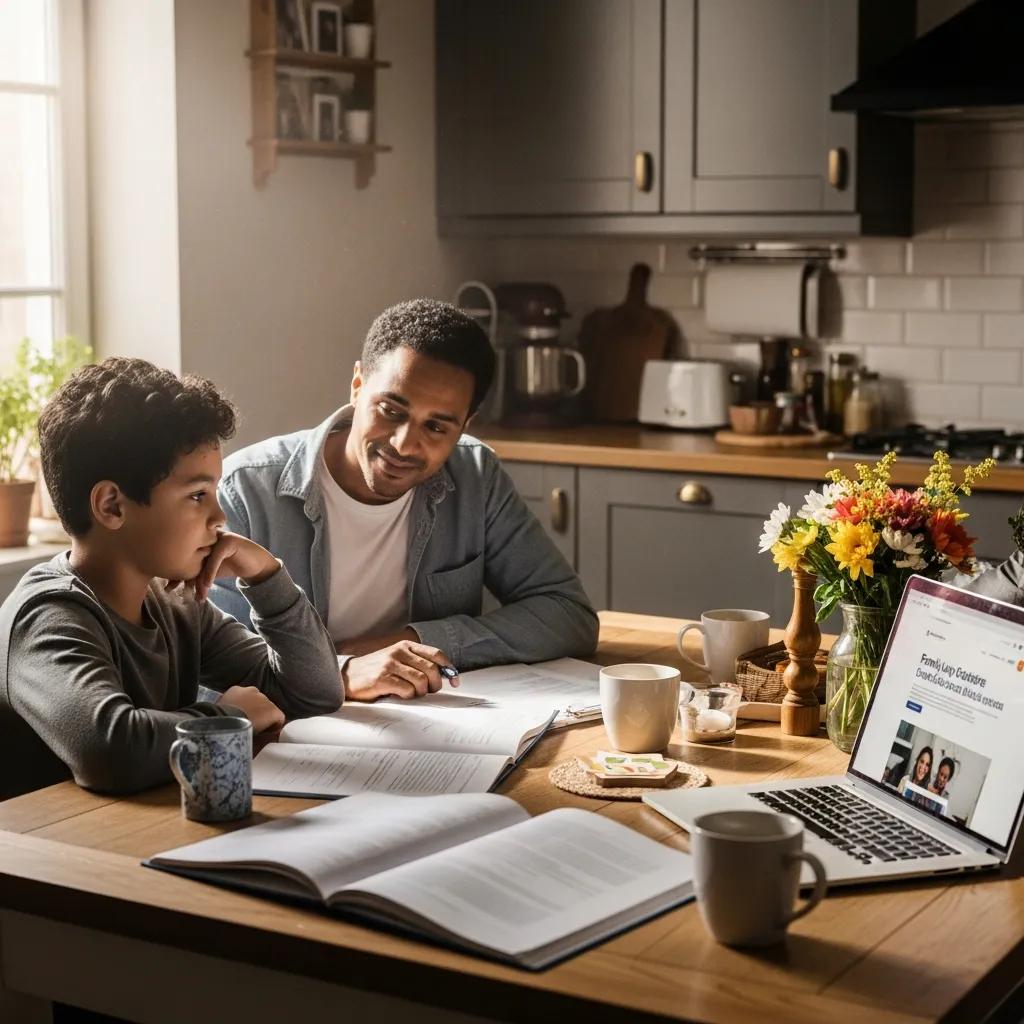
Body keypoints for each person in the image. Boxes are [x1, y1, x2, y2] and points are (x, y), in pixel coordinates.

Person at [211, 298, 599, 703]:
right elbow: (215, 669)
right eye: (391, 410)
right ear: (358, 385)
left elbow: (568, 615)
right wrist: (341, 671)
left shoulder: (475, 476)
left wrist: (415, 639)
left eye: (436, 427)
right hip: (291, 741)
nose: (404, 444)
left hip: (433, 732)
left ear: (464, 426)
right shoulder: (244, 492)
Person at [0, 358, 341, 800]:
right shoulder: (49, 616)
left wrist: (265, 576)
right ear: (112, 507)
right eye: (197, 495)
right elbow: (111, 749)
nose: (219, 518)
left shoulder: (174, 601)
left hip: (127, 836)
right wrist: (225, 718)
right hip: (49, 856)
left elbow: (313, 694)